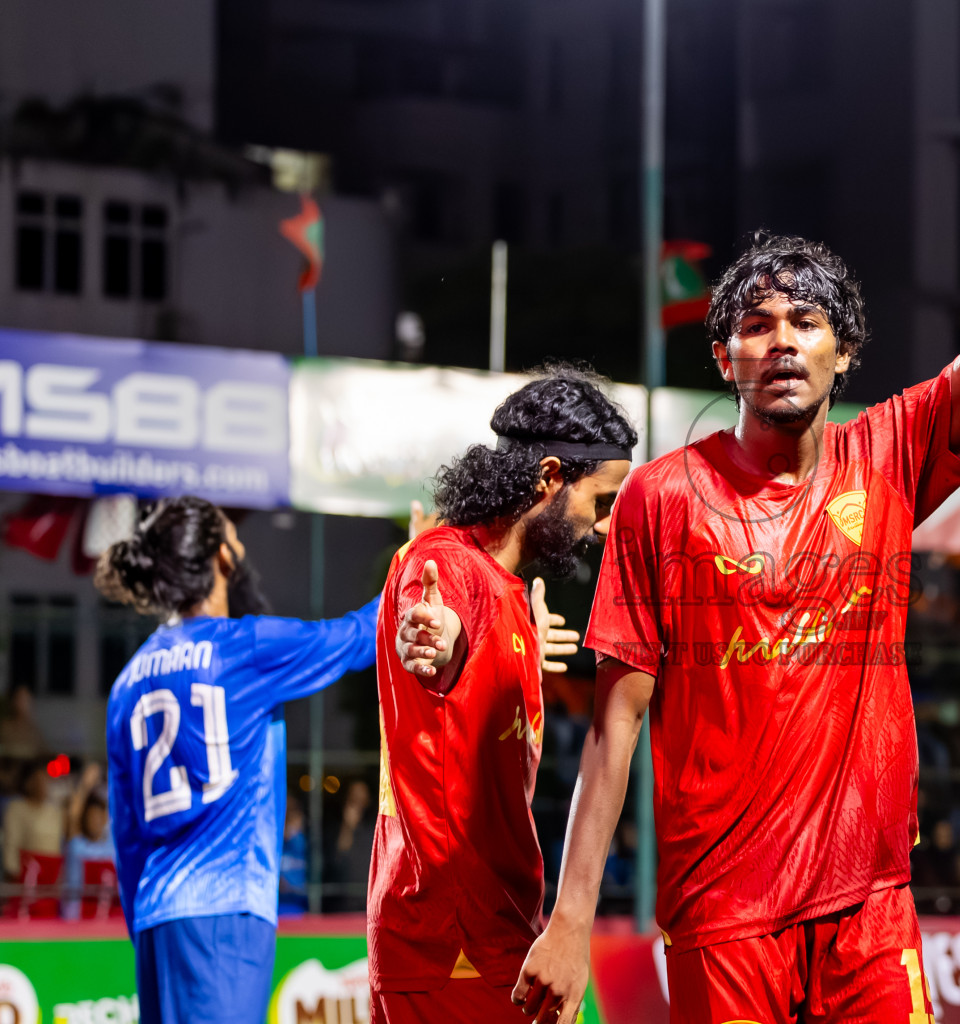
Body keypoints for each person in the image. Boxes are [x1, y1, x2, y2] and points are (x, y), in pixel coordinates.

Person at [517, 25, 960, 1021]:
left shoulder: (892, 455)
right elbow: (617, 719)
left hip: (871, 913)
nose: (781, 343)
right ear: (722, 356)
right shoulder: (663, 499)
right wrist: (571, 917)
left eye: (804, 323)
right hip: (722, 916)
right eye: (757, 325)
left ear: (844, 352)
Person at [370, 367, 634, 1020]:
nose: (602, 526)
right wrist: (434, 639)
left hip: (497, 934)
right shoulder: (447, 564)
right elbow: (441, 629)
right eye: (599, 501)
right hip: (447, 943)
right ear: (549, 477)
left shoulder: (505, 588)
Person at [99, 496, 384, 1024]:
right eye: (234, 535)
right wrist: (414, 558)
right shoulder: (243, 647)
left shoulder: (126, 683)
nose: (243, 545)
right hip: (226, 912)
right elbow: (358, 636)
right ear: (221, 558)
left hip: (157, 917)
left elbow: (127, 835)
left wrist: (144, 925)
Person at [61, 763, 116, 920]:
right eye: (91, 817)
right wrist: (85, 786)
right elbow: (72, 817)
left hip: (108, 917)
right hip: (76, 918)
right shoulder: (76, 846)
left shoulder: (111, 847)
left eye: (99, 817)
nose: (95, 821)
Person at [2, 759, 63, 880]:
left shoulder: (54, 811)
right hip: (27, 876)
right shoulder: (17, 808)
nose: (45, 785)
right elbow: (11, 845)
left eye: (46, 780)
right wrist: (12, 873)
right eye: (39, 781)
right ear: (28, 783)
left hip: (50, 876)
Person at [323, 779, 375, 913]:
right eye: (354, 798)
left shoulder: (375, 828)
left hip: (369, 902)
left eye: (362, 797)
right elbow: (336, 861)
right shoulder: (335, 829)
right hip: (342, 904)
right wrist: (348, 827)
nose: (358, 802)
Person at [277, 793, 309, 916]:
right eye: (285, 812)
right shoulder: (273, 839)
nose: (288, 817)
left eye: (291, 812)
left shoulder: (302, 840)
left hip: (299, 904)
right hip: (278, 905)